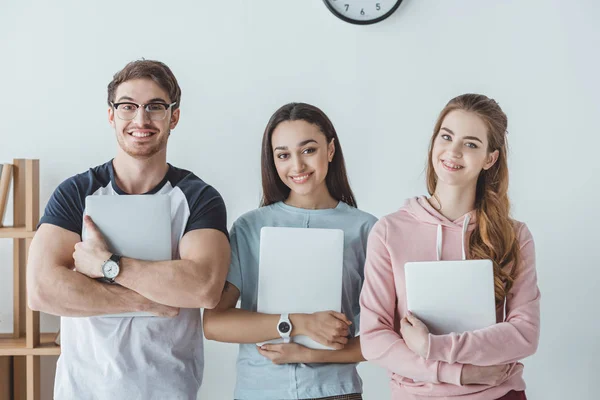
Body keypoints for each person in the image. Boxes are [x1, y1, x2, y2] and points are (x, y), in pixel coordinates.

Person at [27, 59, 231, 400]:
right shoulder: (75, 193)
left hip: (169, 389)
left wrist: (109, 266)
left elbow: (204, 289)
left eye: (155, 107)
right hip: (83, 390)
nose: (141, 119)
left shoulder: (199, 198)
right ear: (111, 115)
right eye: (128, 107)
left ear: (174, 117)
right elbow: (41, 290)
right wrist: (146, 301)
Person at [359, 93, 540, 400]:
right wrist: (455, 372)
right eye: (446, 137)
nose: (453, 151)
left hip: (498, 394)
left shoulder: (513, 235)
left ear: (490, 159)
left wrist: (434, 346)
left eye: (470, 144)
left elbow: (525, 334)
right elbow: (374, 339)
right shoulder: (389, 231)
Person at [203, 102, 377, 400]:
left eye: (308, 150)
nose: (297, 166)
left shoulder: (366, 229)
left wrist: (313, 354)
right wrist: (299, 322)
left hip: (334, 392)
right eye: (283, 155)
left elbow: (386, 337)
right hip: (258, 391)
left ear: (330, 150)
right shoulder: (249, 228)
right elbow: (215, 323)